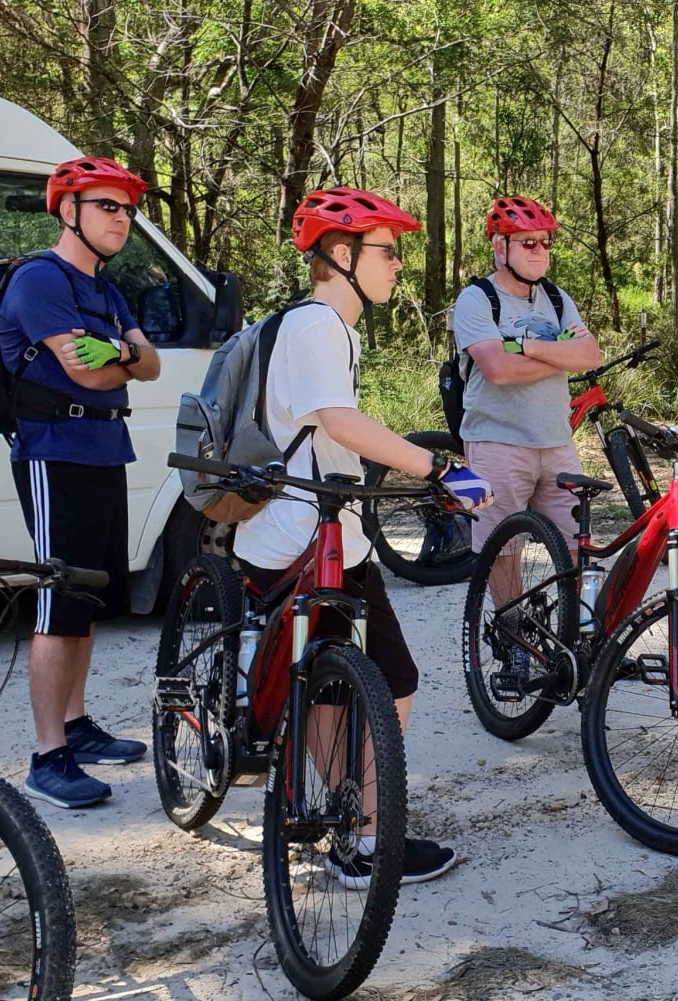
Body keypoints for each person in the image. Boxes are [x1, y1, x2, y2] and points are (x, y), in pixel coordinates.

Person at [232, 186, 491, 886]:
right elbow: (337, 421)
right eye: (387, 250)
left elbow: (331, 428)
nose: (399, 264)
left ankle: (352, 817)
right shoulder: (318, 325)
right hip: (310, 537)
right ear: (341, 256)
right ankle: (366, 837)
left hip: (306, 532)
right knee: (388, 678)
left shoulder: (321, 327)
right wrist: (441, 468)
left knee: (333, 685)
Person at [0, 155, 162, 809]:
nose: (121, 218)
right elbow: (87, 374)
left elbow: (146, 364)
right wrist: (119, 357)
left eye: (126, 207)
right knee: (55, 603)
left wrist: (118, 354)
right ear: (68, 210)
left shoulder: (107, 289)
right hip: (53, 449)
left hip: (102, 446)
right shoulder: (40, 281)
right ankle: (46, 756)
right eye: (106, 205)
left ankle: (76, 724)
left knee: (87, 601)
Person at [452, 195, 601, 603]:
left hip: (556, 443)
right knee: (502, 551)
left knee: (577, 544)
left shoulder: (556, 298)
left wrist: (523, 346)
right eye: (528, 242)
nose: (540, 251)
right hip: (498, 442)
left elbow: (590, 355)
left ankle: (573, 635)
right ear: (501, 247)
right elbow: (497, 370)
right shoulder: (477, 299)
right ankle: (512, 634)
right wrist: (558, 355)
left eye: (545, 242)